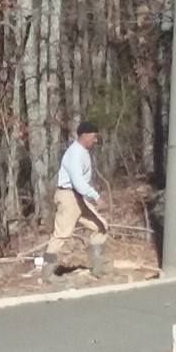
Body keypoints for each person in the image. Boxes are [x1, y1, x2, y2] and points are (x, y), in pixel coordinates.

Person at [42, 121, 112, 283]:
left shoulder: (82, 152)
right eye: (94, 137)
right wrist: (96, 197)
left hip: (77, 198)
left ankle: (98, 267)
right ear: (85, 135)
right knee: (61, 235)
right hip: (68, 197)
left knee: (100, 227)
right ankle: (47, 272)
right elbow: (78, 182)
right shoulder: (74, 153)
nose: (95, 140)